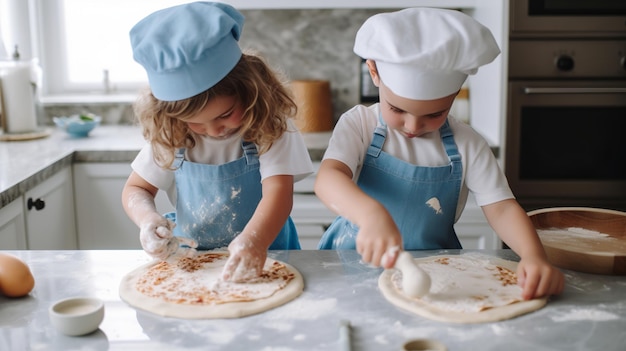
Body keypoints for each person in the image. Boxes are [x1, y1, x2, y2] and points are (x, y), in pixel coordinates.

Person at [314, 7, 564, 299]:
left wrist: (533, 255)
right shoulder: (360, 125)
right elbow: (329, 178)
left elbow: (502, 207)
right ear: (374, 72)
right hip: (350, 265)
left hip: (435, 275)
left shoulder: (467, 143)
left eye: (434, 114)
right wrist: (370, 216)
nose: (413, 126)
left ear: (455, 95)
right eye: (397, 109)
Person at [122, 2, 313, 282]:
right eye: (196, 122)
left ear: (248, 90)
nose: (213, 130)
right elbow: (136, 189)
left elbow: (278, 195)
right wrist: (147, 220)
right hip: (193, 264)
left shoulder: (270, 128)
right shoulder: (173, 134)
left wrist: (254, 241)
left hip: (267, 255)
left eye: (225, 114)